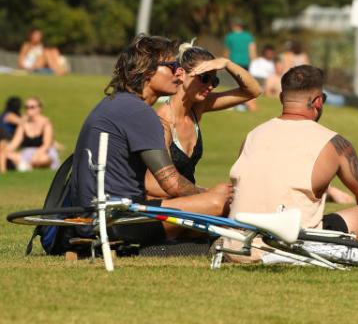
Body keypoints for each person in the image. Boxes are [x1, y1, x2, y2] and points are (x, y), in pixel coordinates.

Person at [69, 35, 232, 246]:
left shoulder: (115, 103)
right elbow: (172, 183)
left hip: (98, 216)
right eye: (172, 66)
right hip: (116, 220)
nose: (179, 71)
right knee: (216, 204)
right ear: (147, 71)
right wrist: (210, 193)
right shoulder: (140, 112)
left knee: (206, 210)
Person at [227, 65, 358, 262]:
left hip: (237, 245)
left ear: (281, 98)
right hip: (291, 248)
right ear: (318, 101)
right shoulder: (334, 143)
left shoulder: (253, 135)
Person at [144, 42, 262, 198]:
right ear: (181, 74)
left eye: (214, 81)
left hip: (188, 203)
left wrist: (227, 64)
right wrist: (207, 193)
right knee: (221, 204)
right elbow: (151, 185)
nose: (211, 86)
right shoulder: (162, 122)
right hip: (162, 207)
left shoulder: (197, 108)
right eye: (205, 78)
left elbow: (253, 91)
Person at [1, 97, 59, 172]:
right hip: (27, 153)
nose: (29, 109)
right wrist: (5, 151)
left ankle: (25, 166)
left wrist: (37, 154)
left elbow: (46, 144)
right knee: (5, 154)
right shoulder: (23, 123)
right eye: (27, 107)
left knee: (43, 159)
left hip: (43, 152)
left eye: (32, 107)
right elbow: (15, 142)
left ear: (39, 108)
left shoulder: (45, 123)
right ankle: (25, 166)